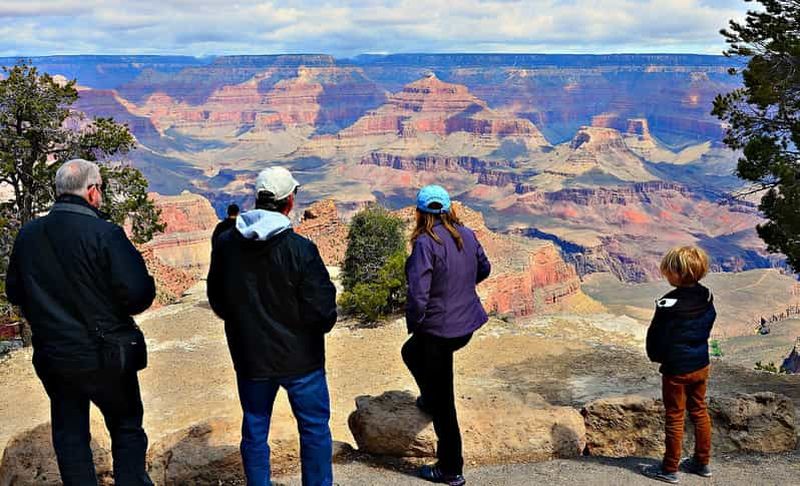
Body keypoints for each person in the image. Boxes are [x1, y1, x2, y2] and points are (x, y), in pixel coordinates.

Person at [5, 159, 156, 485]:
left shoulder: (28, 235)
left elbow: (14, 291)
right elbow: (139, 295)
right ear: (91, 192)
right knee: (127, 428)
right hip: (107, 358)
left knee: (71, 436)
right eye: (99, 188)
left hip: (55, 357)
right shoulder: (105, 233)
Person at [207, 167, 337, 486]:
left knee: (254, 429)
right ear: (289, 202)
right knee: (314, 430)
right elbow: (323, 313)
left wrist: (245, 324)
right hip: (302, 361)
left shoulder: (226, 244)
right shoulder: (302, 250)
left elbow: (217, 299)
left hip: (251, 357)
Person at [402, 185, 491, 486]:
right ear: (449, 209)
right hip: (463, 327)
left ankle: (450, 468)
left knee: (445, 400)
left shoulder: (426, 243)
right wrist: (462, 288)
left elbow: (418, 295)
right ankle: (429, 397)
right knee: (410, 352)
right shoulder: (466, 234)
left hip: (439, 331)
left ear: (421, 213)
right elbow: (484, 268)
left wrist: (416, 323)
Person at [644, 246, 716, 484]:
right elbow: (709, 320)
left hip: (676, 369)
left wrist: (657, 356)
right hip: (701, 364)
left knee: (675, 417)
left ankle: (669, 468)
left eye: (667, 271)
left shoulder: (668, 303)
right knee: (699, 410)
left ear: (676, 273)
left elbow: (656, 336)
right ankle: (702, 463)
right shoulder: (706, 295)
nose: (665, 275)